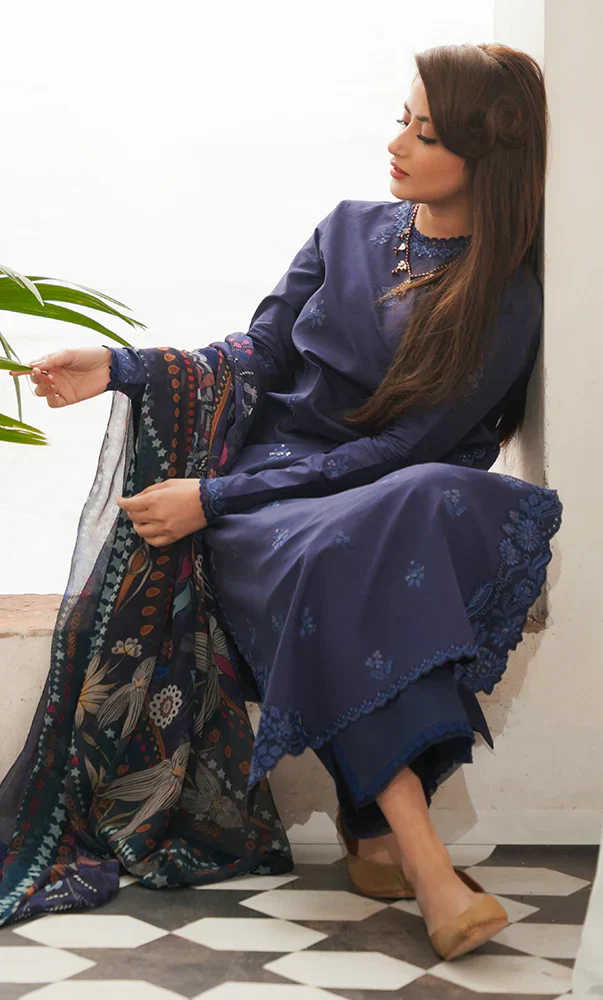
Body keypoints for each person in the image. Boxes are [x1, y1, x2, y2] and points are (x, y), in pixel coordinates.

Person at [5, 41, 563, 961]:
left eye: (427, 134)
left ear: (487, 153)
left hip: (386, 494)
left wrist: (210, 496)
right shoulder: (345, 229)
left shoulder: (505, 299)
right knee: (336, 559)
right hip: (274, 502)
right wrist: (121, 367)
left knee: (392, 516)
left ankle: (387, 836)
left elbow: (402, 450)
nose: (397, 144)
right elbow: (255, 356)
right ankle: (407, 852)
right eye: (402, 120)